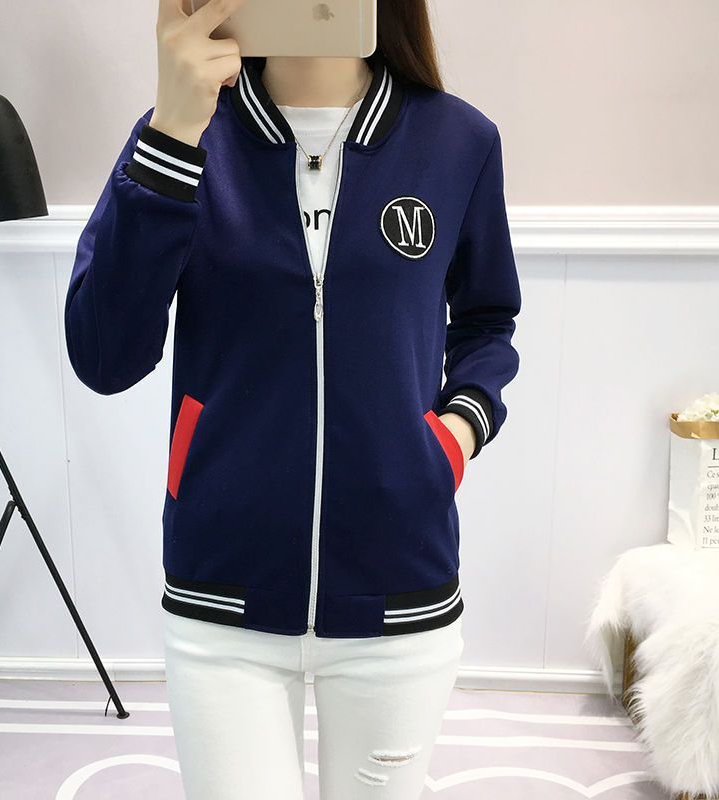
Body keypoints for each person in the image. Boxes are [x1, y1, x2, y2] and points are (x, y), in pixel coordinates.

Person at [63, 0, 521, 796]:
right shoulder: (183, 136)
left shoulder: (457, 142)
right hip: (221, 595)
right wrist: (173, 132)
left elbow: (487, 319)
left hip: (397, 587)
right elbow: (104, 356)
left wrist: (455, 435)